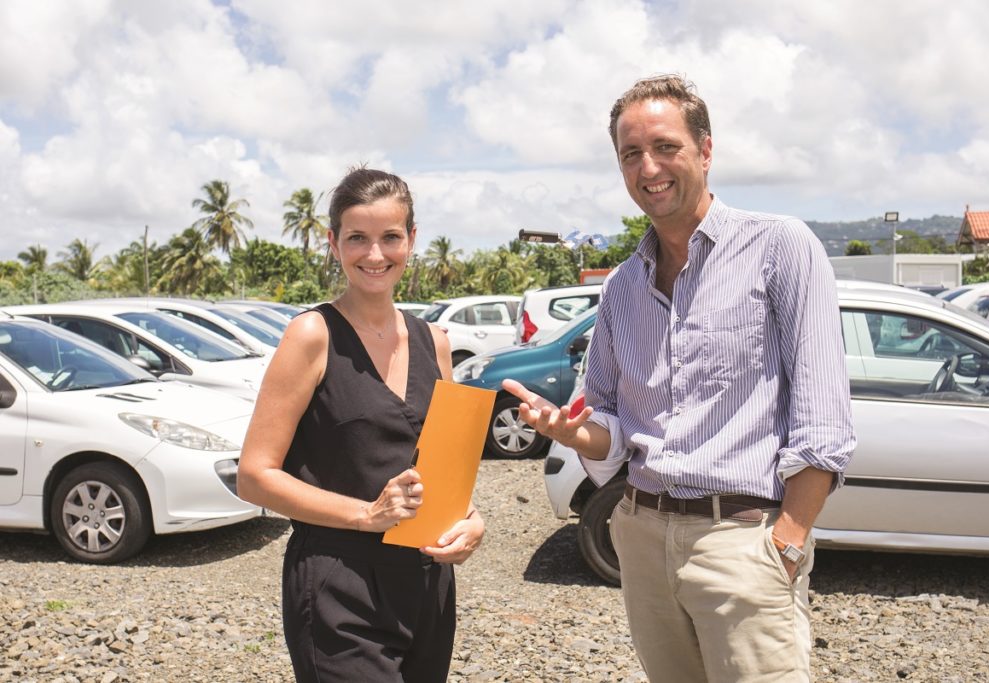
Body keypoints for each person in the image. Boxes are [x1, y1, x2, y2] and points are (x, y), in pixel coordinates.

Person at [504, 75, 856, 681]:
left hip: (744, 539)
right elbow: (612, 428)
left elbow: (822, 419)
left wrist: (787, 543)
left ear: (706, 150)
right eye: (631, 154)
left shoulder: (780, 248)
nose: (649, 167)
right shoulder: (620, 287)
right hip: (639, 536)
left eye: (665, 146)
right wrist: (565, 431)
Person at [238, 167, 485, 683]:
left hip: (426, 585)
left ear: (411, 240)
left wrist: (470, 521)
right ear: (333, 244)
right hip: (339, 584)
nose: (375, 255)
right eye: (357, 239)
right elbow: (255, 475)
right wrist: (365, 515)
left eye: (390, 237)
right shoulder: (311, 335)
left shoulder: (433, 341)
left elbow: (444, 471)